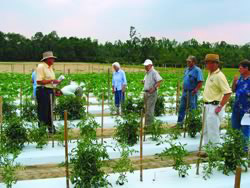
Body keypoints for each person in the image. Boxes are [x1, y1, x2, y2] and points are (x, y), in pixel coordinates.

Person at [202, 54, 232, 147]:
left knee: (213, 130)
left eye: (207, 62)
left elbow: (227, 93)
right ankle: (207, 149)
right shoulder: (210, 74)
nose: (206, 64)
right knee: (206, 129)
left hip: (214, 106)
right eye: (206, 62)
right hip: (207, 105)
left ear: (214, 64)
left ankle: (214, 152)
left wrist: (220, 106)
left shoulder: (219, 76)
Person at [36, 51, 61, 134]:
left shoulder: (50, 68)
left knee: (50, 110)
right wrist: (52, 80)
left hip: (50, 91)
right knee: (43, 111)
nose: (53, 60)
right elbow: (39, 81)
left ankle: (51, 129)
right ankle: (42, 130)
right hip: (43, 91)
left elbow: (51, 82)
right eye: (52, 58)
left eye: (53, 58)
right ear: (47, 59)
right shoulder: (41, 67)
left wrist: (56, 86)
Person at [177, 55, 203, 127]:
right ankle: (180, 123)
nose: (187, 62)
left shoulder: (197, 70)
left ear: (194, 62)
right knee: (181, 107)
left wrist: (195, 90)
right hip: (185, 92)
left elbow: (200, 82)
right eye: (187, 61)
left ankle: (192, 124)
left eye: (189, 61)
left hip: (192, 92)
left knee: (192, 108)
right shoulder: (186, 69)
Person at [231, 59, 250, 152]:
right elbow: (233, 90)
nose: (239, 69)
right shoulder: (240, 78)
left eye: (240, 68)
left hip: (247, 110)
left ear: (246, 68)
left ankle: (244, 151)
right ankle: (236, 148)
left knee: (245, 130)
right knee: (235, 128)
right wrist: (234, 82)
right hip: (236, 108)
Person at [143, 59, 163, 126]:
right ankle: (147, 125)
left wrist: (154, 88)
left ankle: (149, 126)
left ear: (151, 65)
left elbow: (160, 80)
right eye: (145, 66)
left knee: (149, 110)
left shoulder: (154, 72)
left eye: (147, 66)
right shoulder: (147, 72)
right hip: (146, 93)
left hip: (151, 94)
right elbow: (147, 81)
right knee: (147, 110)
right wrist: (143, 81)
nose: (145, 67)